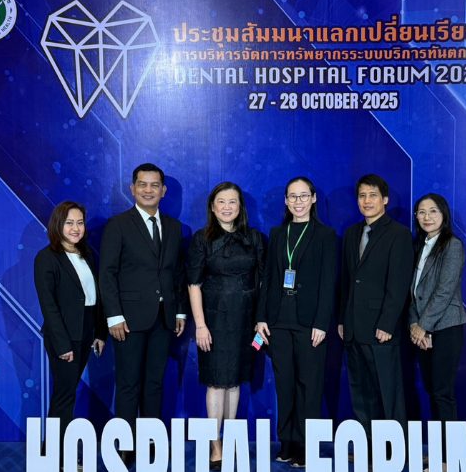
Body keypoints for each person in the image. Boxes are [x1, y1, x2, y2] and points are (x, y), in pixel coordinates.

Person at [99, 163, 188, 467]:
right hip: (128, 320)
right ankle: (125, 447)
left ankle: (151, 444)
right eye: (142, 184)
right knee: (128, 384)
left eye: (154, 185)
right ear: (132, 189)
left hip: (163, 318)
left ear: (164, 191)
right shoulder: (118, 225)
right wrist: (114, 316)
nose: (148, 190)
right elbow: (107, 273)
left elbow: (177, 273)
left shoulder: (175, 227)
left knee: (155, 384)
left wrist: (179, 310)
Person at [256, 177, 337, 468]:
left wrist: (321, 323)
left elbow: (328, 283)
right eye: (293, 196)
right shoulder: (278, 233)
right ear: (286, 201)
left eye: (304, 196)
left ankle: (306, 445)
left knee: (309, 385)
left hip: (309, 322)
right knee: (285, 384)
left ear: (313, 199)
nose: (298, 201)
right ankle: (287, 441)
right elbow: (269, 279)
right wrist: (261, 317)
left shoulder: (326, 235)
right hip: (278, 320)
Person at [187, 182, 264, 470]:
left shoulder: (254, 238)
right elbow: (193, 284)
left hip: (245, 319)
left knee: (234, 381)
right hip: (213, 320)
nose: (227, 207)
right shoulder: (201, 239)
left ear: (240, 206)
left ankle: (230, 438)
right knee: (216, 382)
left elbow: (263, 281)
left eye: (233, 201)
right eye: (221, 201)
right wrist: (200, 325)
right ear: (212, 206)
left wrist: (260, 319)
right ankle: (215, 444)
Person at [338, 175, 414, 463]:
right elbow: (347, 282)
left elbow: (399, 284)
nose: (366, 201)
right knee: (361, 391)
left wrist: (387, 323)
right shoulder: (351, 233)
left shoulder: (398, 234)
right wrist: (343, 319)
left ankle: (394, 452)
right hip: (353, 328)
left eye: (372, 195)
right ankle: (369, 447)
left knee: (388, 391)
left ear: (385, 200)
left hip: (381, 328)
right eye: (362, 196)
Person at [34, 201, 107, 466]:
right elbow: (49, 306)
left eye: (80, 223)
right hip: (63, 335)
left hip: (86, 330)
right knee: (64, 396)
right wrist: (63, 344)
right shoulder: (47, 257)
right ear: (58, 225)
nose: (76, 228)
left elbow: (94, 297)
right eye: (69, 223)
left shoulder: (86, 254)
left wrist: (100, 332)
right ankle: (56, 458)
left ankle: (49, 453)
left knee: (67, 394)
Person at [409, 194, 466, 472]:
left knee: (443, 393)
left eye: (433, 211)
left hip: (445, 327)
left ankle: (449, 459)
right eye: (421, 212)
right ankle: (438, 453)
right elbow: (412, 292)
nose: (427, 217)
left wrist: (424, 326)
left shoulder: (452, 245)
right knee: (433, 393)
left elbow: (445, 291)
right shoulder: (419, 246)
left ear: (444, 214)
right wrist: (414, 325)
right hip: (423, 330)